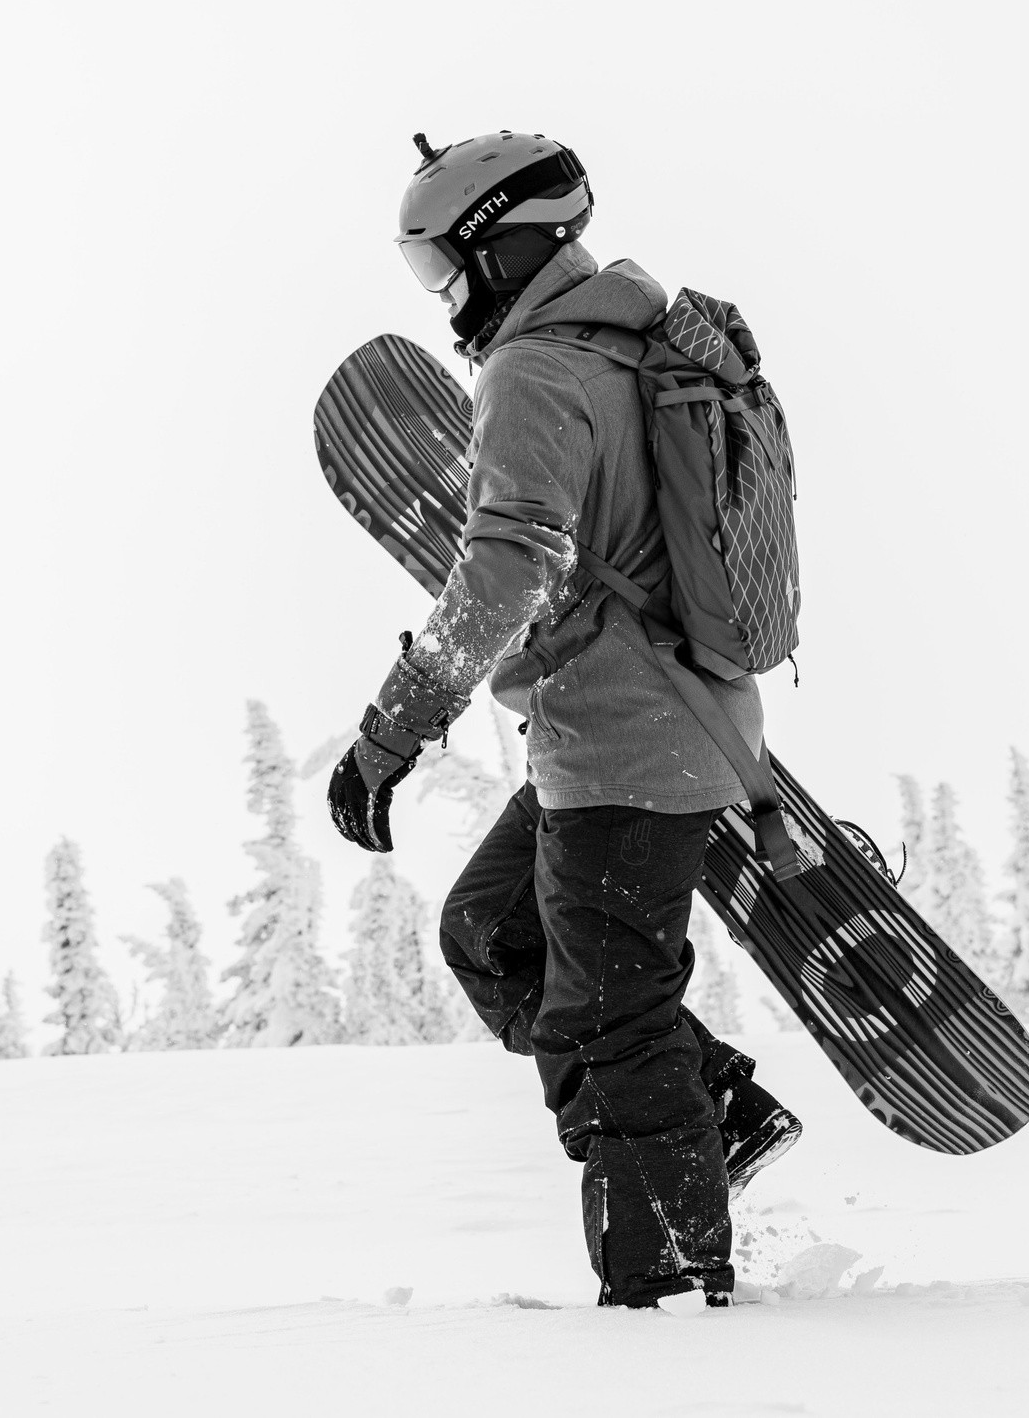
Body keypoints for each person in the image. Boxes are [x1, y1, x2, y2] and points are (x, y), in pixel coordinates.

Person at [327, 131, 801, 1311]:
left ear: (499, 249)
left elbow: (502, 575)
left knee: (606, 1024)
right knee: (490, 930)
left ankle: (670, 1297)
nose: (442, 299)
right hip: (651, 729)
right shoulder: (629, 336)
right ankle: (715, 1115)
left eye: (442, 269)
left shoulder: (538, 370)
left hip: (624, 749)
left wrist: (391, 734)